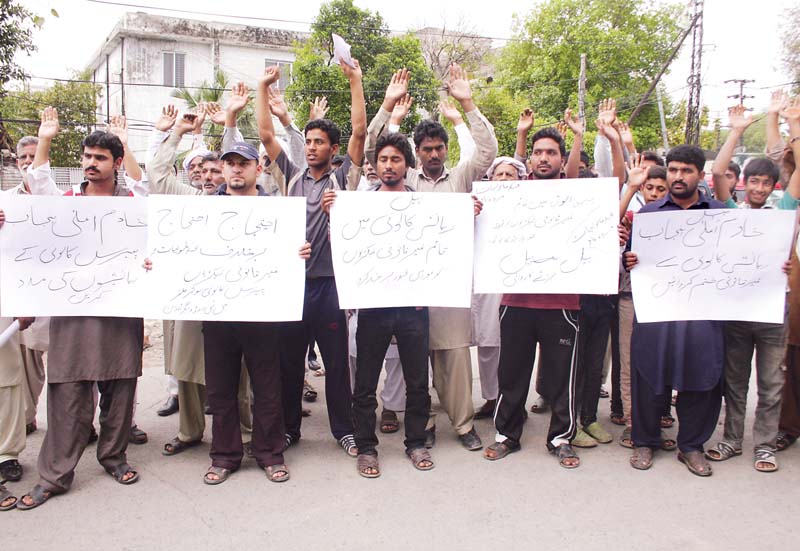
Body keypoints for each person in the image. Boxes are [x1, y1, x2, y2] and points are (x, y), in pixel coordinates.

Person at [366, 64, 498, 451]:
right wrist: (389, 109)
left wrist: (467, 103)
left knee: (455, 362)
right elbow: (372, 144)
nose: (435, 154)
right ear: (416, 154)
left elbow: (487, 151)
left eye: (440, 148)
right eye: (427, 149)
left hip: (449, 289)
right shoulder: (401, 184)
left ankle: (463, 425)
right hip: (406, 291)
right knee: (411, 368)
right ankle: (420, 426)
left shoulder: (460, 179)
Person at [12, 126, 145, 510]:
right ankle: (55, 475)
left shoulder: (133, 203)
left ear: (117, 163)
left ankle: (114, 458)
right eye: (87, 157)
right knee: (67, 391)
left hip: (120, 309)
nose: (90, 164)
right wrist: (46, 139)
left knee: (120, 388)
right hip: (72, 313)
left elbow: (146, 188)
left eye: (100, 158)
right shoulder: (65, 201)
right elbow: (37, 189)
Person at [257, 61, 365, 457]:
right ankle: (289, 429)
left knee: (337, 365)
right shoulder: (290, 175)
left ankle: (344, 430)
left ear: (333, 149)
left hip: (331, 286)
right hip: (293, 286)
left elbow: (359, 131)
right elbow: (266, 133)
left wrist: (354, 80)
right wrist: (261, 86)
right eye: (309, 140)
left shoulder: (343, 179)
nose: (313, 146)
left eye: (320, 141)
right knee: (289, 364)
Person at [198, 140, 310, 484]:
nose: (235, 168)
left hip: (263, 313)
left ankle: (269, 453)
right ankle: (225, 455)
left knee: (267, 386)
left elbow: (290, 252)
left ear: (256, 169)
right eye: (229, 163)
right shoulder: (202, 210)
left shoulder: (276, 210)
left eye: (242, 163)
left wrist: (299, 253)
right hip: (219, 313)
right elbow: (183, 251)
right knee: (220, 389)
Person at [147, 106, 255, 458]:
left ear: (225, 173)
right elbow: (158, 176)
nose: (209, 176)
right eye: (203, 171)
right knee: (188, 367)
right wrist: (176, 132)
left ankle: (245, 430)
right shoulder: (192, 201)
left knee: (239, 372)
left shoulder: (250, 205)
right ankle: (190, 431)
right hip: (195, 299)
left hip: (237, 299)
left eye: (215, 170)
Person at [705, 101, 800, 472]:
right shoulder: (733, 212)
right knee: (736, 381)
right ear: (744, 184)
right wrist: (736, 131)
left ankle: (764, 446)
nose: (759, 188)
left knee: (772, 383)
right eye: (753, 182)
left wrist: (792, 123)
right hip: (739, 308)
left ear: (774, 185)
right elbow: (716, 172)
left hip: (775, 309)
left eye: (766, 182)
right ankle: (731, 439)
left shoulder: (785, 211)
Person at [623, 145, 727, 477]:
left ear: (700, 174)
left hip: (701, 313)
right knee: (649, 373)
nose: (678, 177)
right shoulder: (651, 215)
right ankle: (644, 440)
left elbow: (738, 260)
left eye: (686, 171)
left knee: (701, 375)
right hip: (658, 311)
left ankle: (691, 446)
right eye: (673, 170)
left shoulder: (720, 214)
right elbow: (629, 257)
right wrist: (630, 259)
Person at [484, 125, 582, 468]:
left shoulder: (579, 197)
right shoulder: (510, 193)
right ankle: (506, 435)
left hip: (562, 305)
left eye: (551, 152)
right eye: (538, 152)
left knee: (560, 376)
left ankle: (560, 437)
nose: (544, 158)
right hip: (516, 302)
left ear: (562, 158)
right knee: (511, 373)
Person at [472, 157, 527, 419]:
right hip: (486, 282)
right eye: (499, 175)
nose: (504, 179)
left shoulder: (529, 205)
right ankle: (491, 399)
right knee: (488, 344)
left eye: (510, 175)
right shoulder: (478, 205)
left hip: (518, 283)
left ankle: (514, 402)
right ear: (490, 179)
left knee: (515, 346)